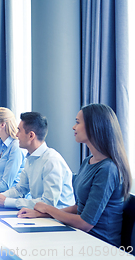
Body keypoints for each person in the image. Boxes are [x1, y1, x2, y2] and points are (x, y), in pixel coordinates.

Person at [18, 104, 131, 246]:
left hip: (98, 244)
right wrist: (43, 214)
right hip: (79, 236)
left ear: (93, 126)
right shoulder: (88, 161)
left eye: (77, 122)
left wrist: (48, 209)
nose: (73, 127)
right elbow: (80, 207)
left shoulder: (108, 169)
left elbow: (85, 223)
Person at [0, 112, 75, 209]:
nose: (16, 134)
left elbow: (48, 203)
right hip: (42, 215)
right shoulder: (30, 158)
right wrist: (1, 196)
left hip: (58, 220)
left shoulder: (51, 161)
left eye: (19, 130)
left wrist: (7, 201)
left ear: (31, 135)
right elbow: (20, 189)